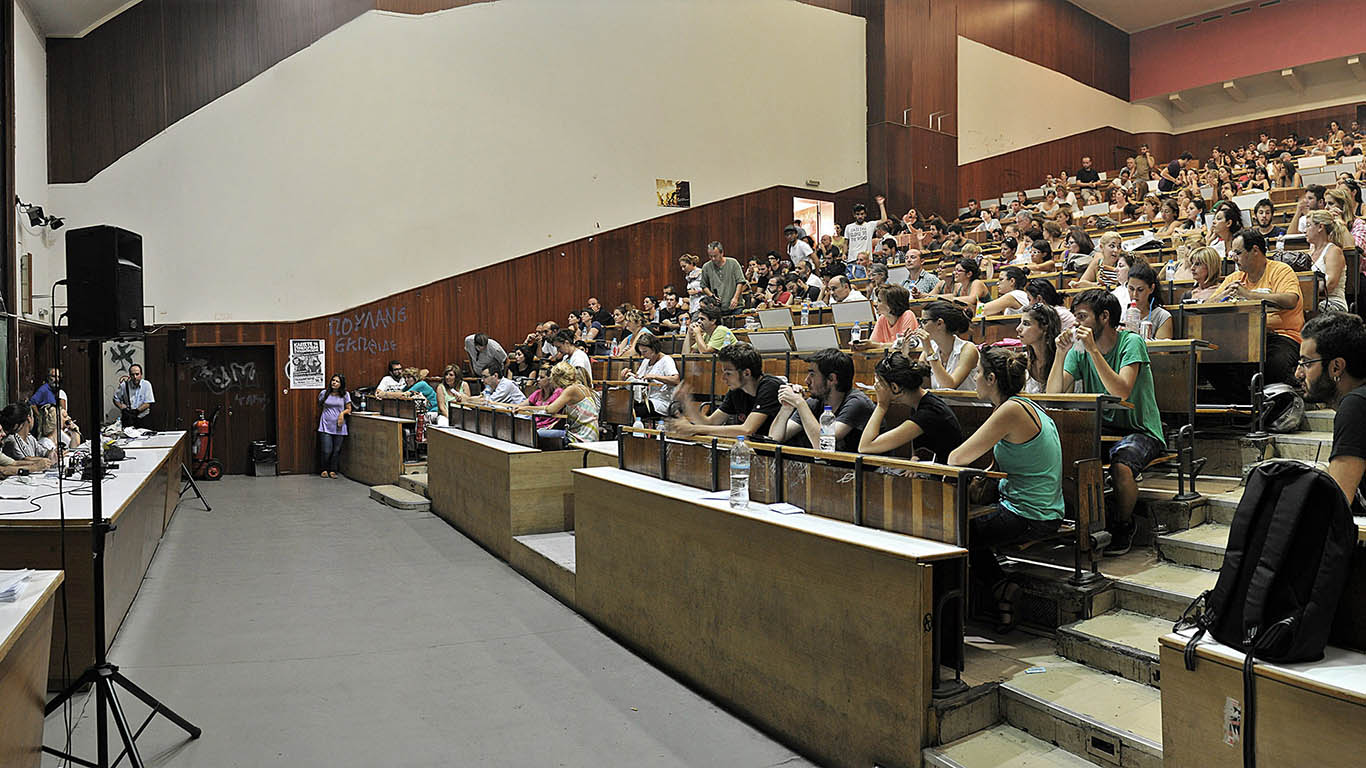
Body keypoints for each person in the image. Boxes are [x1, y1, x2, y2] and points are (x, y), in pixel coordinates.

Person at [948, 347, 1064, 631]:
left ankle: (997, 591)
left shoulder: (1011, 410)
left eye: (977, 373)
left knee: (955, 530)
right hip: (1036, 507)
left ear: (990, 378)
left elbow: (956, 458)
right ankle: (997, 593)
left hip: (1032, 514)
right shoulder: (1023, 405)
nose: (973, 378)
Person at [1047, 289, 1166, 556]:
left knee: (1122, 466)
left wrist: (1092, 351)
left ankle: (1124, 524)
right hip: (1102, 428)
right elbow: (1053, 394)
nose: (1076, 323)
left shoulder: (1131, 342)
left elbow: (1120, 391)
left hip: (1140, 428)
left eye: (1082, 316)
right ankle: (1083, 522)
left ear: (1104, 316)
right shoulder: (1078, 352)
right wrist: (1060, 353)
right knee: (1061, 456)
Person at [1209, 230, 1304, 394]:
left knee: (1273, 364)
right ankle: (1246, 408)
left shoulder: (1280, 270)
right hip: (1243, 338)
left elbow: (1290, 300)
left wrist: (1249, 295)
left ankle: (1268, 407)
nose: (1233, 257)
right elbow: (1208, 304)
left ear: (1255, 250)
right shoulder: (1235, 278)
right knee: (1212, 362)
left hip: (1281, 336)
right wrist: (1223, 295)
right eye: (1233, 253)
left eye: (1238, 253)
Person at [1297, 312, 1366, 505]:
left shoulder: (1355, 406)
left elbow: (1337, 506)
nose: (1298, 373)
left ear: (1336, 367)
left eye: (1307, 363)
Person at [858, 352, 963, 461]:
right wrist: (915, 458)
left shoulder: (929, 413)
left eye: (879, 382)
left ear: (895, 387)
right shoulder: (919, 402)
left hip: (947, 476)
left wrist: (881, 405)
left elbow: (865, 446)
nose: (876, 387)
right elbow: (922, 450)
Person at [769, 348, 874, 451]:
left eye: (812, 375)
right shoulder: (816, 401)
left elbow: (822, 446)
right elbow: (774, 439)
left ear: (832, 379)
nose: (806, 380)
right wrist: (787, 407)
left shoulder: (857, 403)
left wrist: (799, 403)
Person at [670, 343, 782, 438]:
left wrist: (694, 428)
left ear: (746, 373)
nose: (723, 378)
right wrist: (687, 403)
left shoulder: (770, 387)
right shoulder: (736, 391)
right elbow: (711, 423)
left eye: (728, 373)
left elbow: (747, 430)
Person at [517, 361, 598, 447]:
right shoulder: (580, 387)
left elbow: (551, 409)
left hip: (582, 437)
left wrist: (528, 408)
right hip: (587, 434)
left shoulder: (571, 390)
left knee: (536, 433)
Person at [907, 300, 979, 390]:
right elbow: (921, 384)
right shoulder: (930, 348)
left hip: (967, 404)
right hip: (941, 403)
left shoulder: (968, 349)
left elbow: (949, 386)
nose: (920, 326)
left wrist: (929, 352)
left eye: (924, 322)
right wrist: (905, 354)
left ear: (939, 323)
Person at [1305, 209, 1349, 312]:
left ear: (1320, 227)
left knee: (1305, 310)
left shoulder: (1333, 251)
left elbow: (1330, 284)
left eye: (1308, 225)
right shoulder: (1309, 253)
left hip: (1332, 302)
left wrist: (1306, 292)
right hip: (1312, 300)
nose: (1305, 230)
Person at [628, 334, 680, 419]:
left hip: (661, 401)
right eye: (641, 352)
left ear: (654, 348)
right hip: (645, 398)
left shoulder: (666, 360)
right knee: (622, 405)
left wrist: (655, 377)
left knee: (634, 410)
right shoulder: (646, 361)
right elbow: (639, 378)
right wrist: (629, 374)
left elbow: (676, 379)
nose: (643, 355)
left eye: (645, 351)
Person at [1016, 303, 1062, 394]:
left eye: (1026, 324)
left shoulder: (1063, 358)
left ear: (1045, 328)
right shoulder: (1023, 360)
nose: (1018, 328)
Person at [316, 374, 352, 478]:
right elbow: (320, 404)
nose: (334, 383)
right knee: (327, 450)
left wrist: (342, 414)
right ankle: (324, 469)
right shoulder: (324, 393)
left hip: (339, 425)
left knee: (336, 450)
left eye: (337, 381)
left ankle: (333, 470)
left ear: (341, 384)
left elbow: (349, 409)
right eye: (333, 380)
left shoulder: (345, 394)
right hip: (325, 424)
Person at [1126, 261, 1174, 339]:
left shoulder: (1162, 316)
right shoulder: (1122, 312)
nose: (1134, 294)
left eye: (1140, 290)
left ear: (1151, 288)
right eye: (1131, 289)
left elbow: (1163, 351)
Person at [699, 241, 747, 311]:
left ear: (722, 253)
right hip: (718, 308)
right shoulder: (706, 267)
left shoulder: (733, 263)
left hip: (736, 306)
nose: (713, 259)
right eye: (710, 256)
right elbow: (703, 286)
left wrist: (735, 298)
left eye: (715, 256)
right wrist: (711, 296)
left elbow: (740, 282)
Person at [525, 365, 563, 432]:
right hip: (535, 424)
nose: (538, 379)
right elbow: (521, 405)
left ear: (550, 379)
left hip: (548, 426)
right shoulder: (538, 393)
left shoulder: (559, 393)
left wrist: (524, 408)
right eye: (538, 376)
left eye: (541, 377)